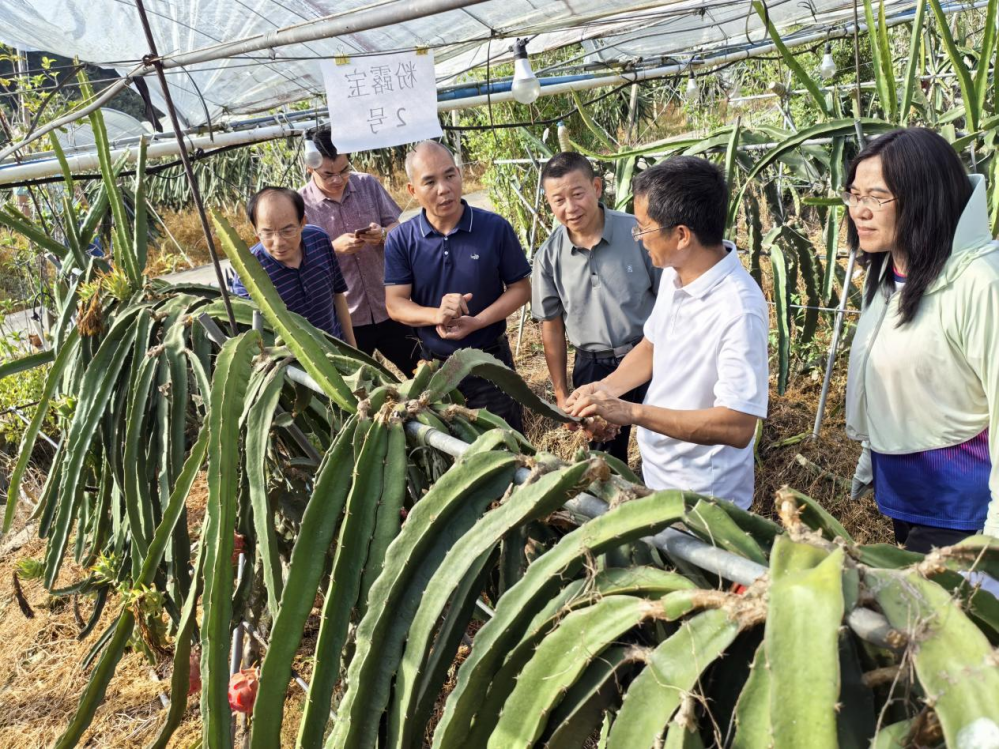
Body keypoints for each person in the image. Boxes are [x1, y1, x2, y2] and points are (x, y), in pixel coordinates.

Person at [565, 156, 769, 509]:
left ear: (681, 235)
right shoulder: (676, 276)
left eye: (644, 229)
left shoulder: (738, 308)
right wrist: (603, 390)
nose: (639, 239)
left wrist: (631, 412)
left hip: (705, 495)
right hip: (661, 472)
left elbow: (736, 426)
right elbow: (651, 347)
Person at [844, 128, 999, 551]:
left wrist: (995, 534)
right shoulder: (887, 274)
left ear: (923, 198)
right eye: (854, 195)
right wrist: (871, 451)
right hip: (909, 497)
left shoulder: (981, 283)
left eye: (877, 197)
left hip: (965, 508)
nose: (860, 211)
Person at [384, 141, 531, 433]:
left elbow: (521, 289)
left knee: (505, 442)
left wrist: (478, 321)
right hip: (434, 369)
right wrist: (435, 315)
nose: (444, 188)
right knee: (448, 447)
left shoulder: (494, 228)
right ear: (412, 190)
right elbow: (395, 303)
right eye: (430, 182)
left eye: (450, 175)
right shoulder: (401, 239)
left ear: (460, 174)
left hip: (489, 363)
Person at [532, 152, 661, 463]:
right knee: (605, 459)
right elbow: (551, 326)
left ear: (597, 187)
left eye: (577, 194)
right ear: (549, 203)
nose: (570, 207)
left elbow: (669, 297)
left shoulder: (637, 233)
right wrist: (561, 394)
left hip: (650, 355)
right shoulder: (548, 257)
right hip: (593, 366)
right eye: (558, 200)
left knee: (663, 442)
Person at [299, 129, 419, 374]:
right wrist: (333, 248)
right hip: (347, 318)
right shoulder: (300, 204)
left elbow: (397, 228)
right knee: (358, 385)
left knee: (420, 370)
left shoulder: (367, 184)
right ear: (310, 168)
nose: (338, 179)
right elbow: (298, 259)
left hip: (389, 305)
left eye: (344, 170)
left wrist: (383, 234)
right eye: (328, 174)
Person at [230, 186, 356, 346]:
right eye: (267, 233)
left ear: (302, 222)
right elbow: (252, 334)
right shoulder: (249, 270)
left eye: (287, 230)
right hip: (292, 361)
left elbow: (338, 296)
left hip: (336, 350)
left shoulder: (320, 240)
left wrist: (353, 348)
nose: (278, 242)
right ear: (255, 230)